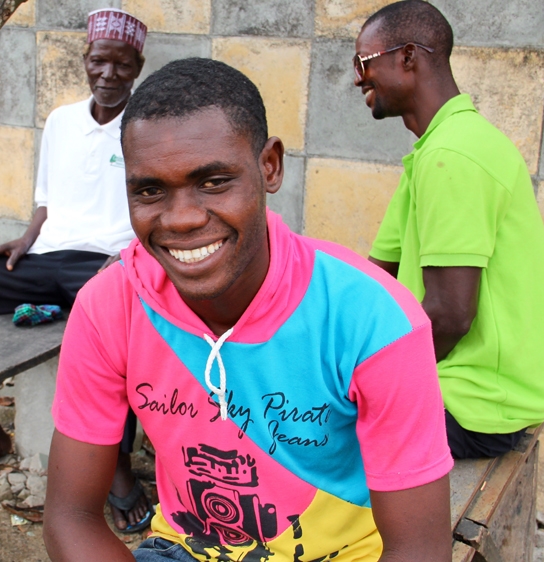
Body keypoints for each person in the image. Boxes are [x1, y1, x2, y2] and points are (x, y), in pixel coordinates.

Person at [44, 57, 453, 562]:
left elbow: (420, 547)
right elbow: (71, 516)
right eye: (150, 190)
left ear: (269, 167)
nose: (183, 219)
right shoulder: (109, 306)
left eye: (213, 181)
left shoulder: (372, 318)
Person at [0, 8, 153, 532]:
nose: (108, 74)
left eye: (120, 64)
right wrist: (24, 240)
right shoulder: (61, 121)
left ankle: (116, 465)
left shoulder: (147, 126)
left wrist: (126, 258)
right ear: (85, 62)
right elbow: (48, 199)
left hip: (109, 265)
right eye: (98, 62)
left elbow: (152, 209)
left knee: (114, 316)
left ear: (137, 66)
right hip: (47, 260)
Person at [355, 1, 544, 459]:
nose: (357, 79)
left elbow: (449, 316)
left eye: (364, 62)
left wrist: (367, 380)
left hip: (474, 405)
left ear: (408, 57)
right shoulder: (432, 152)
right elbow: (375, 282)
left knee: (304, 431)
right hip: (457, 392)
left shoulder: (455, 155)